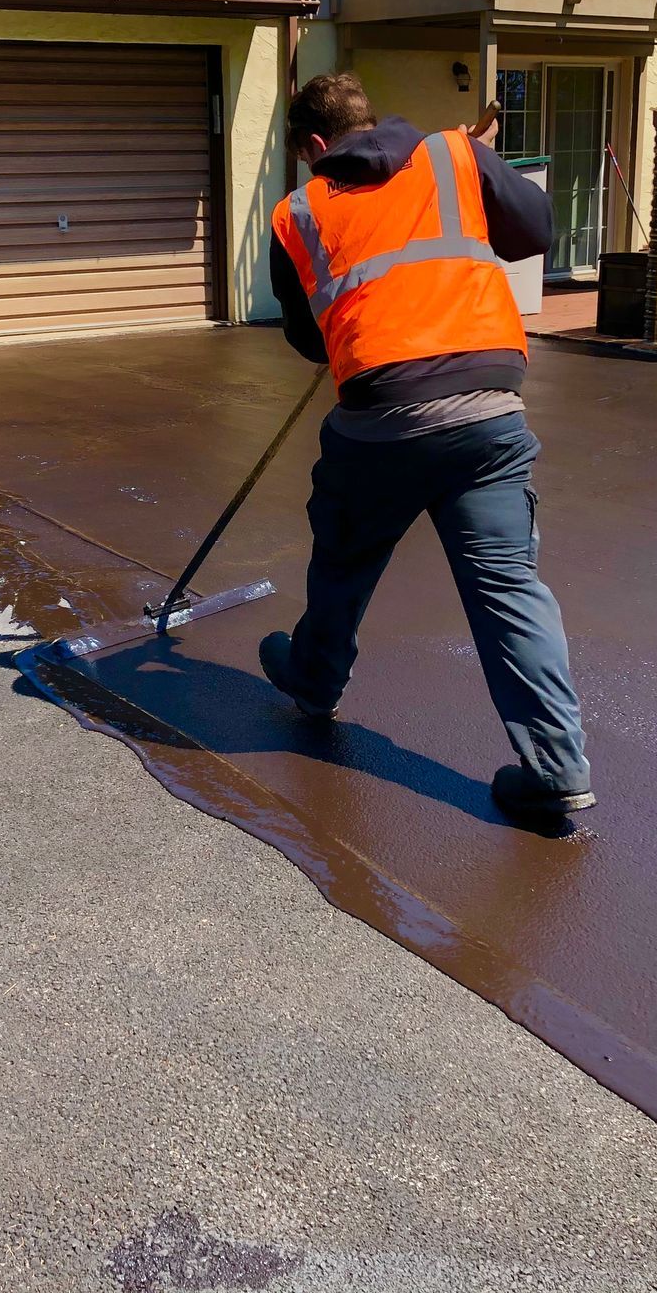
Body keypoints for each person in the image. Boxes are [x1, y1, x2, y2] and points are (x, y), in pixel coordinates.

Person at [260, 72, 594, 822]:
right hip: (490, 410)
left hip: (380, 417)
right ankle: (555, 766)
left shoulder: (299, 210)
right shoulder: (453, 155)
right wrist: (483, 171)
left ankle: (314, 682)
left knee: (343, 556)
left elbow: (308, 339)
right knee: (508, 589)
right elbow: (535, 232)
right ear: (368, 117)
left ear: (315, 145)